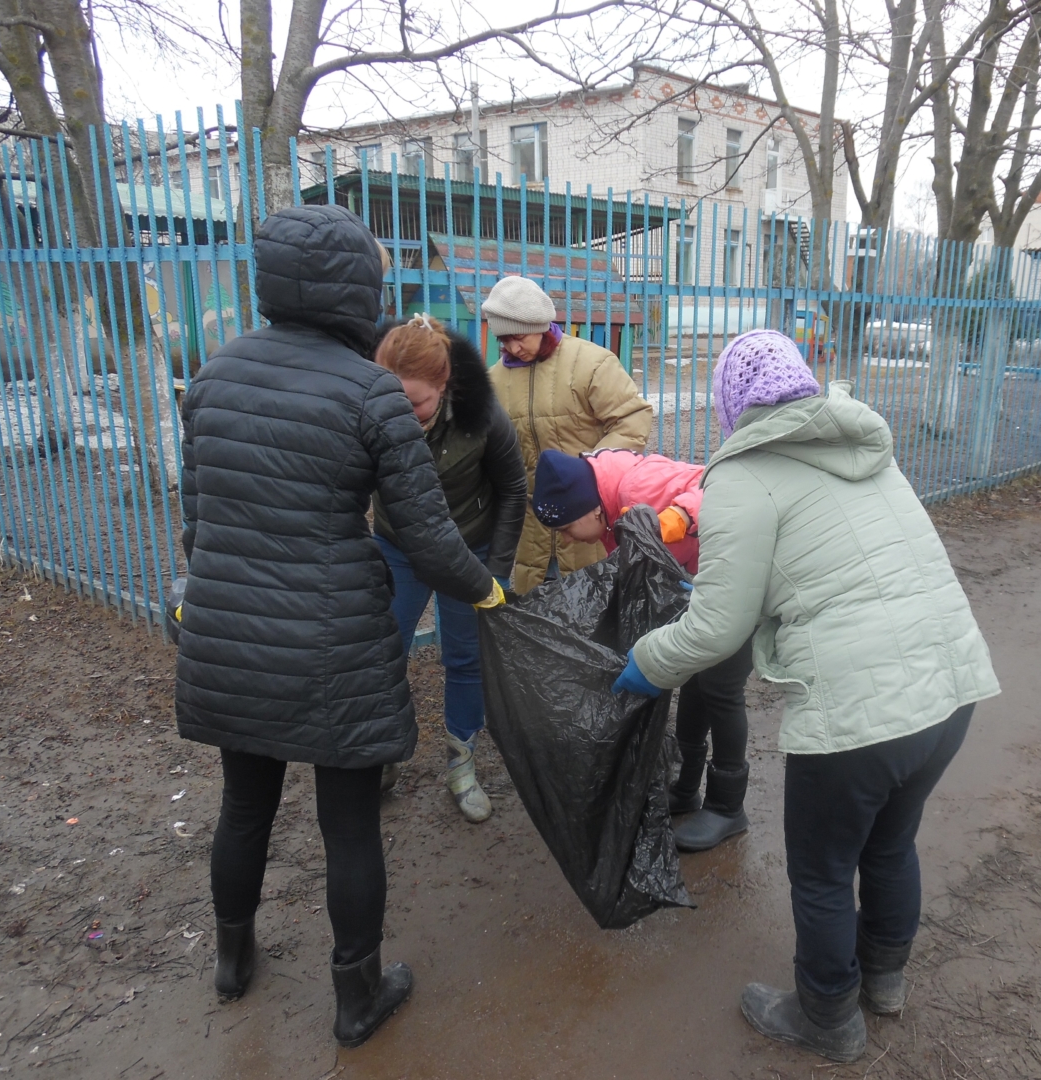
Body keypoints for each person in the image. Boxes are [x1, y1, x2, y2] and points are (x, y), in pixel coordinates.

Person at [612, 329, 1000, 1063]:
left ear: (732, 403)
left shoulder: (742, 475)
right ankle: (883, 981)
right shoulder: (867, 453)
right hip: (949, 689)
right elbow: (826, 568)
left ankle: (826, 1015)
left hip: (861, 715)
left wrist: (644, 662)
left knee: (821, 870)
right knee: (890, 844)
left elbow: (715, 632)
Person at [174, 205, 505, 1049]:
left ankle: (231, 960)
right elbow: (428, 534)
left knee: (244, 806)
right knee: (347, 823)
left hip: (228, 629)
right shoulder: (368, 391)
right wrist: (487, 593)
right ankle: (357, 998)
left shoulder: (212, 377)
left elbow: (196, 519)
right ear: (359, 288)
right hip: (332, 645)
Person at [530, 446, 753, 851]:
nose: (564, 538)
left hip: (737, 577)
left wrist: (681, 514)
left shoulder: (636, 487)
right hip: (698, 585)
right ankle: (686, 788)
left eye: (564, 527)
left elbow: (723, 487)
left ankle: (728, 806)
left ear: (590, 509)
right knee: (696, 683)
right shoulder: (610, 509)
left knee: (721, 688)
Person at [369, 313, 526, 822]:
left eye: (415, 403)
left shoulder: (483, 418)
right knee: (382, 651)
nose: (404, 413)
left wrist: (496, 571)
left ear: (444, 385)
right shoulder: (372, 414)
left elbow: (512, 491)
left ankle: (462, 761)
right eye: (395, 401)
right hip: (400, 548)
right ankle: (384, 754)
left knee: (465, 659)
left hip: (469, 550)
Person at [484, 275, 654, 594]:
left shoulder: (591, 363)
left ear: (539, 325)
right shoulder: (493, 381)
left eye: (519, 337)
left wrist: (590, 475)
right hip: (529, 529)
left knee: (594, 610)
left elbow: (631, 418)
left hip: (589, 517)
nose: (512, 347)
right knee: (539, 618)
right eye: (503, 340)